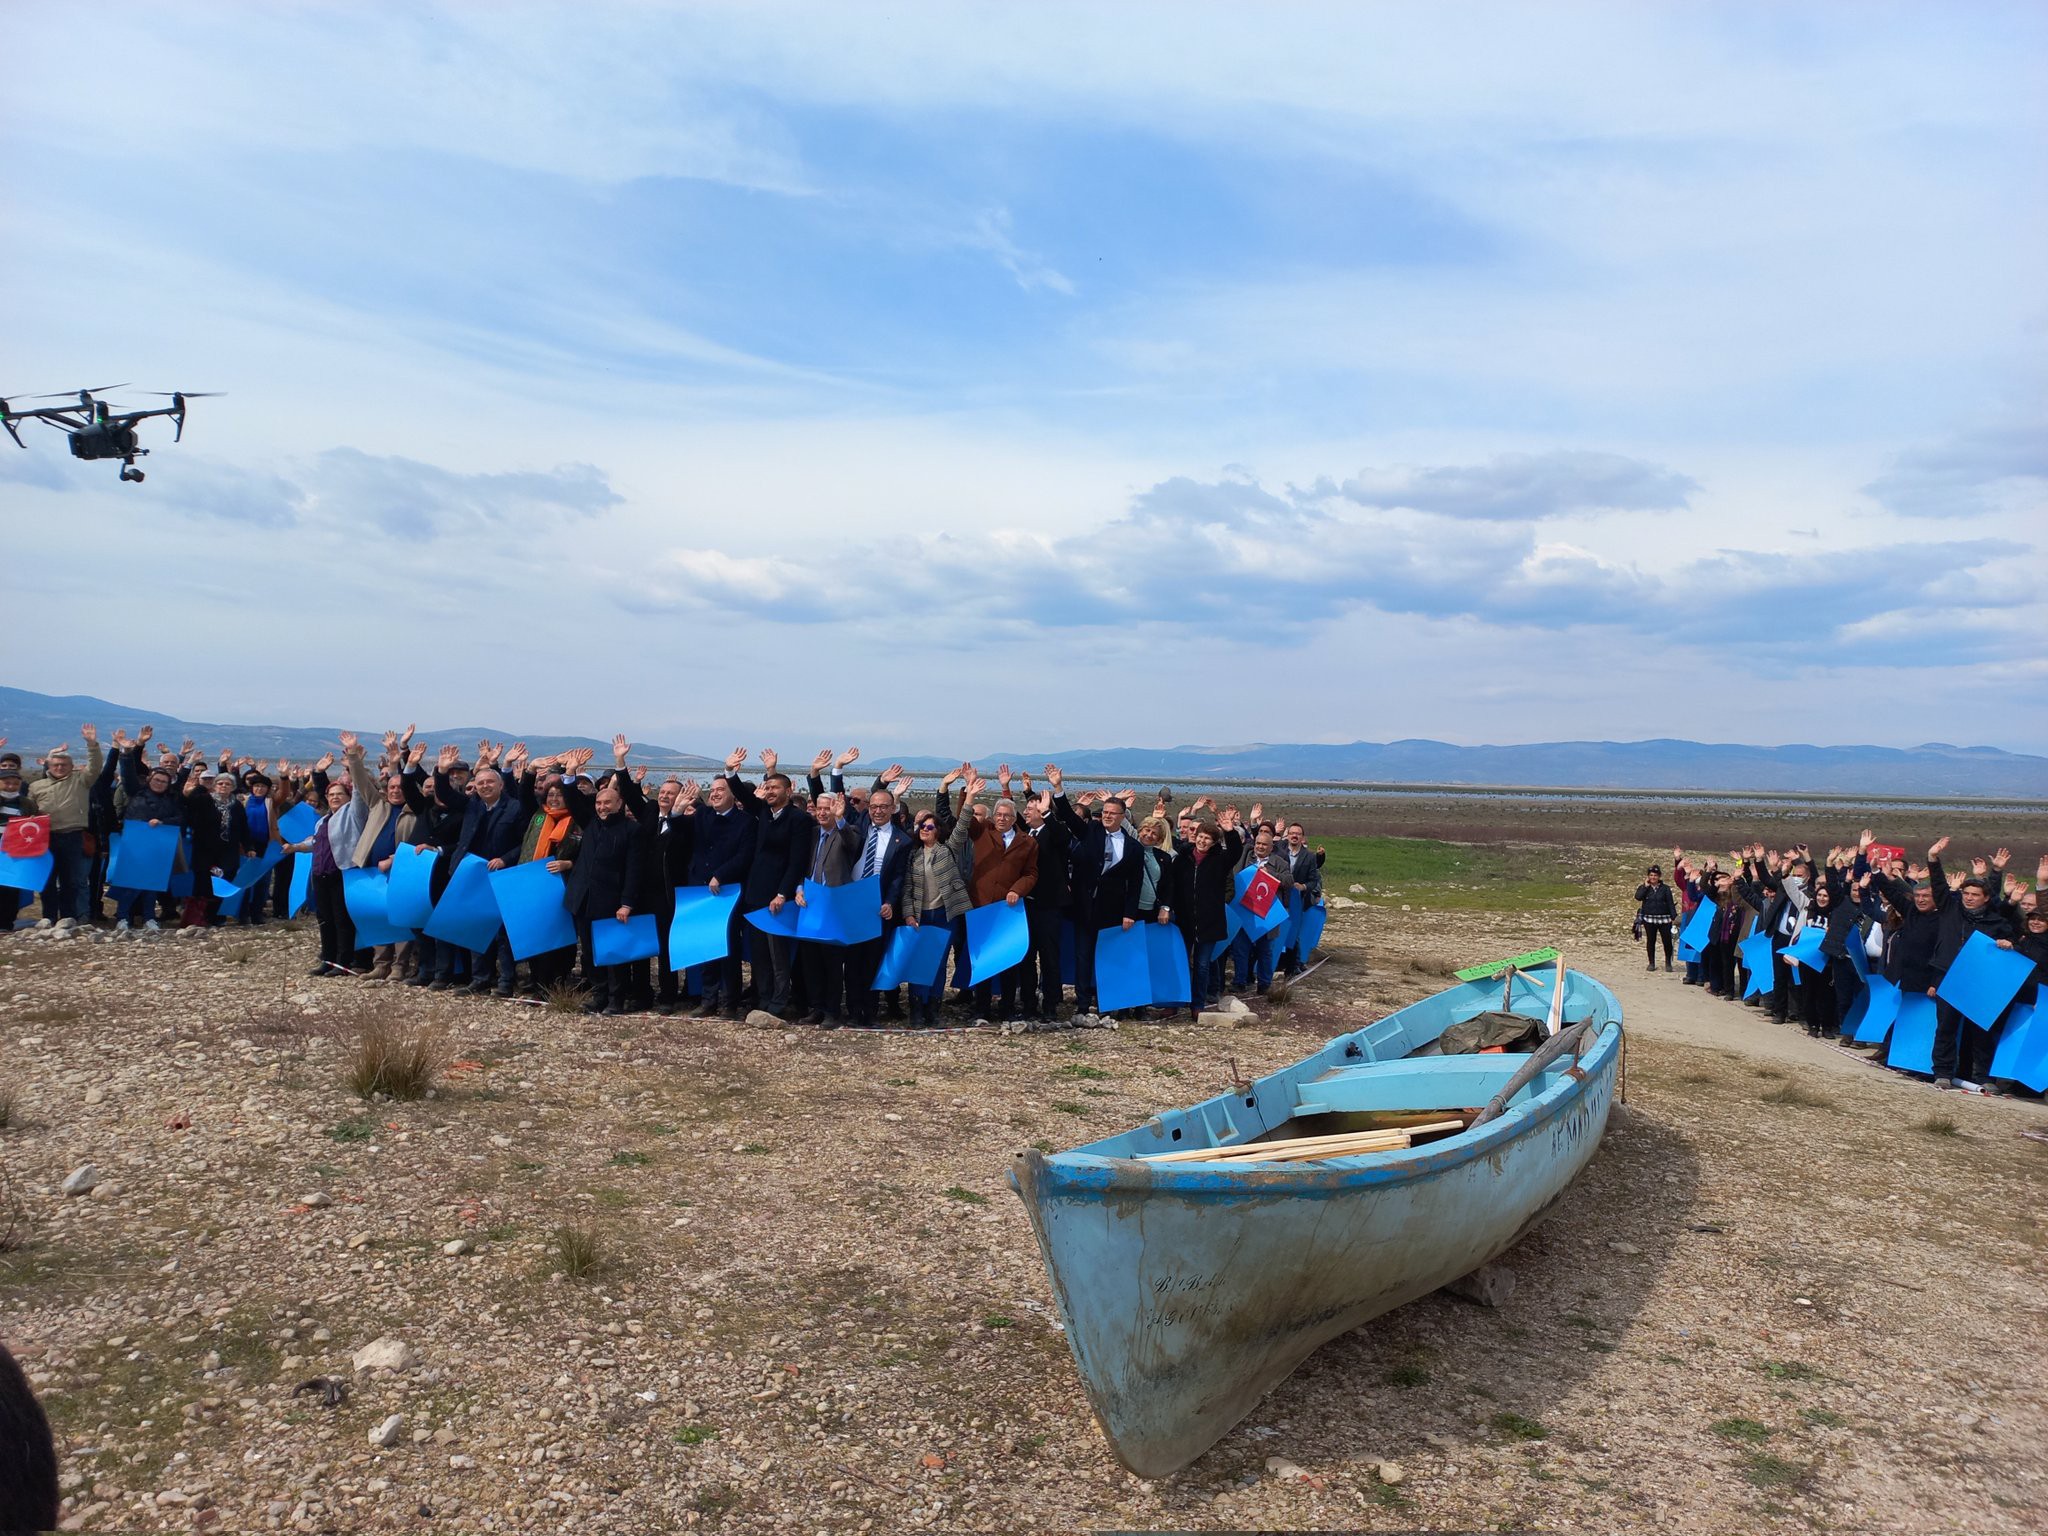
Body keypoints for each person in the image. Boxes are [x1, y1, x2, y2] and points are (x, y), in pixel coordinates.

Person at [1046, 765, 1143, 1016]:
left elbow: (1135, 883)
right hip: (1084, 908)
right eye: (1105, 812)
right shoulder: (1090, 831)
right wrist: (1058, 787)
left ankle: (1108, 1002)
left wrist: (1129, 912)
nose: (1107, 816)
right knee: (1083, 957)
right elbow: (1068, 815)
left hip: (1112, 911)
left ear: (1123, 815)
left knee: (1109, 958)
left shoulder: (1133, 847)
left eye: (1113, 813)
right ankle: (1081, 1003)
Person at [1923, 837, 2015, 1088]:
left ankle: (1982, 1077)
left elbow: (2012, 939)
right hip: (1948, 976)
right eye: (1966, 893)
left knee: (1980, 1030)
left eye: (1975, 894)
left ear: (1985, 898)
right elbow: (1939, 886)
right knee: (1946, 1028)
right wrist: (1933, 858)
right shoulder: (1950, 910)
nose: (1969, 898)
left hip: (1979, 982)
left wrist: (2007, 943)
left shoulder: (1996, 922)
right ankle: (1942, 1072)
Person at [727, 750, 811, 1020]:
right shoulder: (763, 810)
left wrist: (782, 893)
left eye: (776, 787)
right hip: (755, 893)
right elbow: (742, 794)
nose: (771, 791)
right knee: (759, 953)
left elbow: (797, 862)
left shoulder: (798, 819)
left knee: (778, 955)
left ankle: (779, 1001)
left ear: (789, 790)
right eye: (768, 786)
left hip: (778, 897)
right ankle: (762, 999)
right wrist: (730, 771)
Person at [559, 773, 643, 1016]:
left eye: (607, 803)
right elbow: (574, 801)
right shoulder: (591, 823)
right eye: (598, 803)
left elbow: (634, 870)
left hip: (612, 901)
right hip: (583, 898)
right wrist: (569, 775)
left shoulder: (632, 830)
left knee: (614, 952)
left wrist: (627, 903)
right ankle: (599, 994)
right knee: (589, 952)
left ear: (619, 805)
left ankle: (616, 999)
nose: (602, 807)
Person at [899, 777, 980, 1028]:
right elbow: (907, 889)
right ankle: (916, 1009)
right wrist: (908, 914)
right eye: (922, 826)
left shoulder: (948, 849)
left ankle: (933, 1008)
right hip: (919, 916)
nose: (925, 829)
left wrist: (969, 798)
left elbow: (963, 825)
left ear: (938, 831)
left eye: (930, 827)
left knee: (938, 961)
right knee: (917, 961)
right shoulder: (911, 854)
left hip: (945, 915)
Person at [795, 788, 865, 1027]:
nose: (823, 813)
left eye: (828, 809)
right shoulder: (812, 834)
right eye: (819, 809)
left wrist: (841, 818)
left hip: (834, 907)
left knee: (832, 963)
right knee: (811, 961)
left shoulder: (848, 831)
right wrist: (798, 889)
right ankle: (816, 1007)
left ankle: (832, 1011)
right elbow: (802, 866)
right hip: (810, 904)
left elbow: (853, 844)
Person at [844, 783, 911, 1028]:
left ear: (893, 809)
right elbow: (842, 806)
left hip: (877, 907)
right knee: (852, 962)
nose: (878, 811)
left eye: (884, 807)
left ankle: (869, 1012)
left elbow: (898, 877)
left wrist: (890, 903)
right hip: (852, 903)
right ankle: (852, 1011)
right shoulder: (858, 827)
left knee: (872, 961)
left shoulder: (901, 840)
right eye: (873, 807)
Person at [967, 791, 1039, 1019]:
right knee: (983, 959)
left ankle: (1007, 1007)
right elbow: (964, 820)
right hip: (981, 905)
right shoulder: (982, 833)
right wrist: (968, 793)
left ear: (1014, 818)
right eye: (998, 814)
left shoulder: (1027, 842)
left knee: (1008, 959)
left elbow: (1031, 873)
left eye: (1007, 815)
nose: (1002, 819)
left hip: (1008, 909)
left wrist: (1017, 889)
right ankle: (981, 1008)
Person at [25, 726, 103, 923]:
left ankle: (69, 918)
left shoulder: (81, 781)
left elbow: (95, 767)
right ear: (49, 766)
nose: (60, 767)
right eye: (56, 764)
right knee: (48, 881)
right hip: (45, 838)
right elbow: (28, 813)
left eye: (64, 764)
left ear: (71, 766)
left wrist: (92, 744)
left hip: (73, 837)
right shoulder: (36, 786)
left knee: (73, 881)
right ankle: (49, 917)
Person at [1018, 789, 1072, 1024]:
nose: (1026, 813)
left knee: (1049, 958)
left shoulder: (1053, 833)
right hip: (1025, 907)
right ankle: (1029, 1004)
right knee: (1026, 958)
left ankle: (1050, 1005)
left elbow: (1063, 837)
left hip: (1048, 907)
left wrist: (1048, 811)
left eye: (1031, 810)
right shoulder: (1025, 834)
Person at [1634, 865, 1678, 972]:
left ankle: (1668, 962)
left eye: (1655, 875)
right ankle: (1651, 963)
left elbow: (1670, 903)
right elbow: (1638, 897)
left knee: (1667, 941)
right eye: (1651, 875)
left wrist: (1674, 918)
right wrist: (1645, 886)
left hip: (1664, 919)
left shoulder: (1665, 888)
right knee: (1651, 941)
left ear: (1659, 876)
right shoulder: (1644, 887)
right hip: (1649, 919)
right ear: (1648, 876)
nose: (1653, 877)